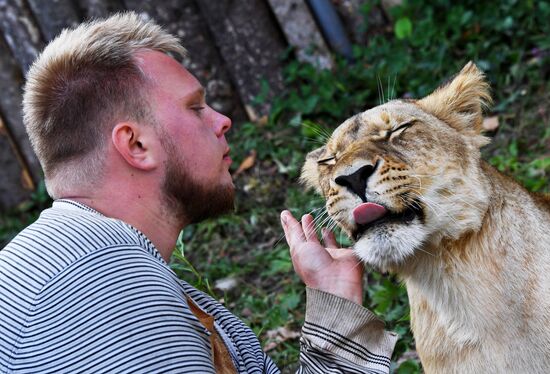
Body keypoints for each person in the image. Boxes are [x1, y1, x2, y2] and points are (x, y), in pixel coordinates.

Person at [0, 12, 396, 373]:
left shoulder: (97, 270)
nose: (222, 121)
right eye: (195, 107)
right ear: (136, 145)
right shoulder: (101, 290)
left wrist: (335, 303)